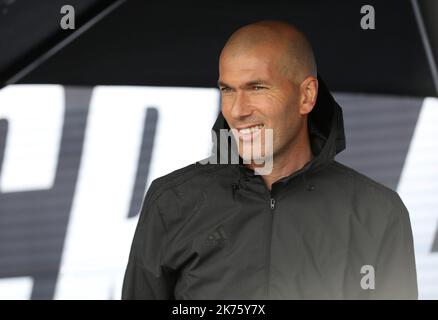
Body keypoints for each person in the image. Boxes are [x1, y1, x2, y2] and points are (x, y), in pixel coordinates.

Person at [122, 21, 418, 299]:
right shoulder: (172, 201)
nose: (238, 110)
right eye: (227, 90)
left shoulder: (378, 212)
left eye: (257, 87)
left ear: (307, 96)